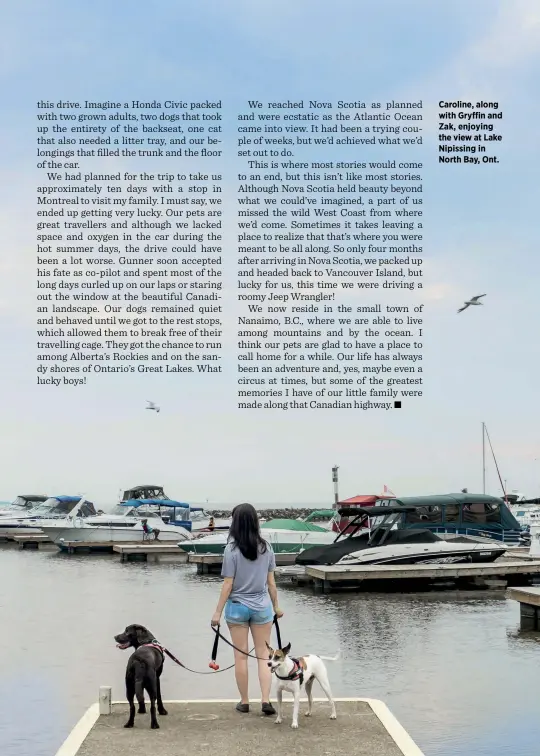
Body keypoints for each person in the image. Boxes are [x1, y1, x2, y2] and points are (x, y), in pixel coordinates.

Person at [211, 502, 283, 715]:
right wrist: (277, 607)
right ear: (255, 522)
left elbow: (228, 584)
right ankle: (265, 701)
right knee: (263, 656)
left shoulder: (231, 550)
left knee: (240, 657)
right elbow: (271, 583)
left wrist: (217, 612)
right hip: (262, 607)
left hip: (237, 608)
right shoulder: (266, 547)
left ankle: (244, 702)